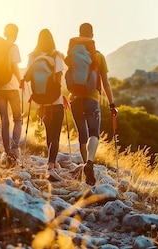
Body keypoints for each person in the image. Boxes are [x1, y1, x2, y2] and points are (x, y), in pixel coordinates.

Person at [66, 23, 117, 186]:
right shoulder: (98, 56)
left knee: (82, 134)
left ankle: (84, 168)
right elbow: (106, 83)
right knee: (94, 133)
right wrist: (112, 103)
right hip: (91, 100)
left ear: (79, 34)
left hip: (75, 99)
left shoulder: (73, 53)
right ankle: (89, 163)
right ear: (92, 36)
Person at [24, 29, 65, 181]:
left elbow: (27, 77)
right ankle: (51, 165)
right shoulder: (56, 55)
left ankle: (52, 164)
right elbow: (59, 78)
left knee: (49, 133)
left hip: (41, 101)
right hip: (56, 100)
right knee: (56, 135)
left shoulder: (32, 56)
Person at [0, 23, 23, 166]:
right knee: (18, 118)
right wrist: (21, 80)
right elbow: (14, 66)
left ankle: (6, 151)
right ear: (16, 33)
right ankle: (14, 149)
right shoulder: (13, 47)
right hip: (12, 87)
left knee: (4, 119)